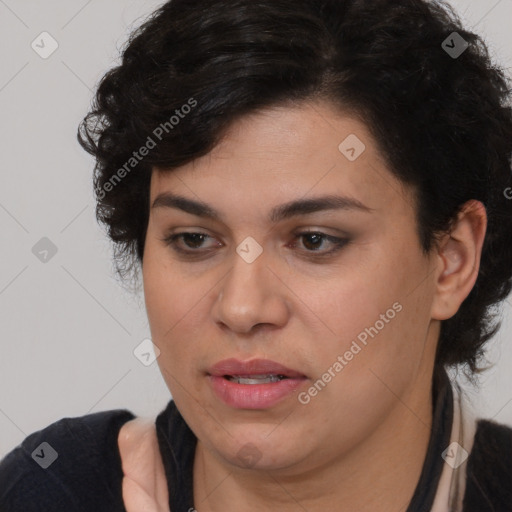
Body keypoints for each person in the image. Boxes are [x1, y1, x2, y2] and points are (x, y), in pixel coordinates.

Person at [1, 0, 512, 510]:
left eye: (314, 240)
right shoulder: (48, 492)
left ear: (452, 259)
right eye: (194, 240)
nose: (241, 309)